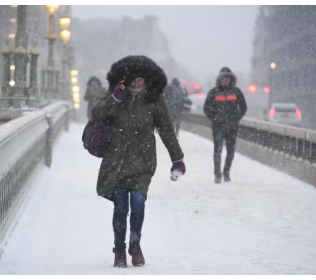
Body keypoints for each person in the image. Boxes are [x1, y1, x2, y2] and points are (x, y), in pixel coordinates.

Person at [92, 56, 186, 268]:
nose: (136, 83)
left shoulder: (154, 99)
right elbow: (97, 114)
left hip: (143, 162)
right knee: (121, 207)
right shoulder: (116, 95)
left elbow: (166, 130)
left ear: (147, 79)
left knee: (137, 203)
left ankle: (135, 244)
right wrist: (114, 99)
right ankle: (119, 249)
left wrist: (177, 159)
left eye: (140, 79)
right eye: (132, 79)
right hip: (116, 161)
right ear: (125, 79)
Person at [204, 67, 247, 184]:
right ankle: (217, 174)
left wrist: (235, 119)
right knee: (217, 151)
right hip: (218, 127)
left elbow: (243, 107)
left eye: (227, 78)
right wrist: (215, 119)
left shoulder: (236, 92)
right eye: (223, 78)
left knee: (230, 151)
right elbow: (206, 108)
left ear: (231, 79)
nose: (225, 80)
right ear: (220, 79)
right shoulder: (213, 92)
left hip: (232, 127)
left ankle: (226, 172)